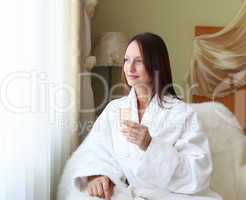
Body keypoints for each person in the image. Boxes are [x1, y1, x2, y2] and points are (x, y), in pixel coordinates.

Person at [58, 32, 222, 200]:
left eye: (138, 61)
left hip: (170, 195)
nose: (130, 68)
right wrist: (97, 175)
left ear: (156, 65)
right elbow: (96, 150)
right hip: (126, 193)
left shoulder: (182, 113)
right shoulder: (115, 109)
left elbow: (197, 173)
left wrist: (151, 145)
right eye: (126, 60)